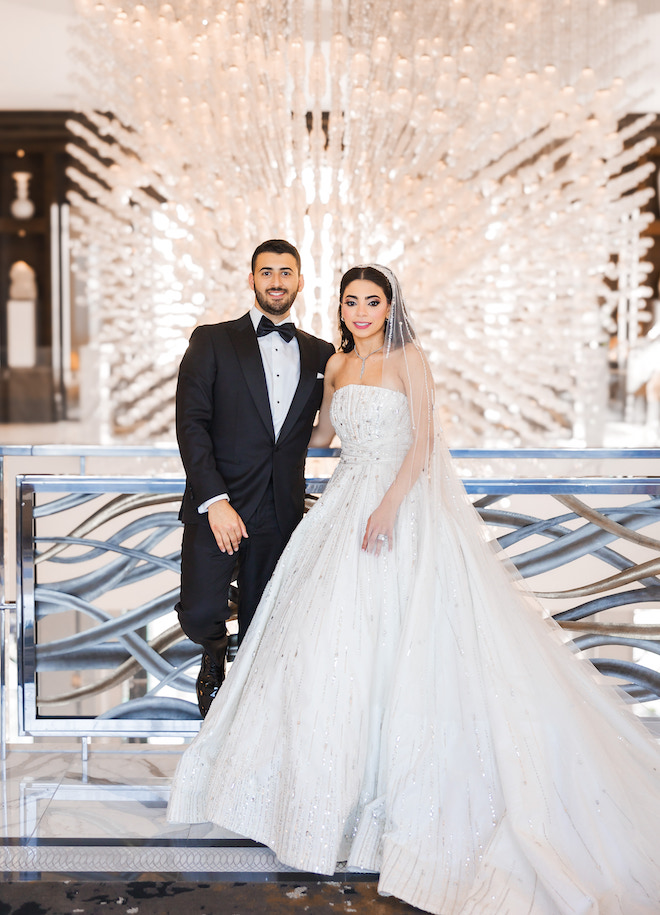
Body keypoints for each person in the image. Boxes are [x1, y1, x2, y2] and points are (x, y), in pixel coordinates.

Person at [168, 264, 660, 914]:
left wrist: (390, 505)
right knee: (322, 648)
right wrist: (243, 457)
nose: (362, 311)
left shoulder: (411, 358)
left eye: (373, 301)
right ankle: (316, 799)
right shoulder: (335, 367)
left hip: (398, 509)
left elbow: (424, 440)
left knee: (407, 644)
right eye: (352, 301)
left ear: (390, 305)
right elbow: (315, 437)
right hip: (342, 507)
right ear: (340, 308)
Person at [174, 238, 335, 716]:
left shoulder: (322, 353)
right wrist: (215, 500)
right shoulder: (212, 340)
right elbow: (191, 424)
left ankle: (248, 713)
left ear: (300, 282)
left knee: (263, 619)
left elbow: (322, 426)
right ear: (252, 280)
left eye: (286, 273)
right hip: (220, 502)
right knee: (201, 609)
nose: (277, 282)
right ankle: (212, 651)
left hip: (281, 507)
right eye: (267, 272)